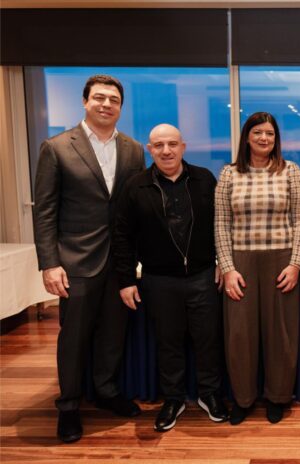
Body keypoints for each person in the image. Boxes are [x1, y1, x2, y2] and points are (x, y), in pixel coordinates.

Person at [32, 74, 144, 443]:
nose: (106, 104)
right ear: (85, 101)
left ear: (120, 107)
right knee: (74, 338)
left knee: (113, 332)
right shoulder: (57, 147)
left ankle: (106, 390)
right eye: (99, 97)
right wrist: (50, 263)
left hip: (120, 261)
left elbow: (133, 207)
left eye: (114, 100)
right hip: (76, 261)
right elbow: (44, 211)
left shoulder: (133, 149)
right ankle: (68, 406)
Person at [113, 123, 228, 432]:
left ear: (183, 147)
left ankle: (209, 394)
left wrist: (222, 261)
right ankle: (174, 399)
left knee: (208, 340)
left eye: (172, 144)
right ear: (150, 150)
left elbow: (221, 225)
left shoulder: (204, 179)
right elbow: (122, 236)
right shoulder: (135, 187)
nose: (166, 151)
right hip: (158, 279)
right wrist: (126, 280)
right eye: (159, 145)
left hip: (203, 276)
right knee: (168, 342)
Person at [215, 112, 300, 425]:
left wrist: (295, 264)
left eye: (269, 133)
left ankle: (278, 397)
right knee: (239, 334)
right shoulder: (229, 174)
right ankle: (243, 399)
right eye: (257, 133)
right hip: (240, 262)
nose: (264, 138)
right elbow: (221, 223)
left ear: (276, 138)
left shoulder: (290, 171)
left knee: (280, 333)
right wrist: (227, 267)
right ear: (247, 137)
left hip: (281, 261)